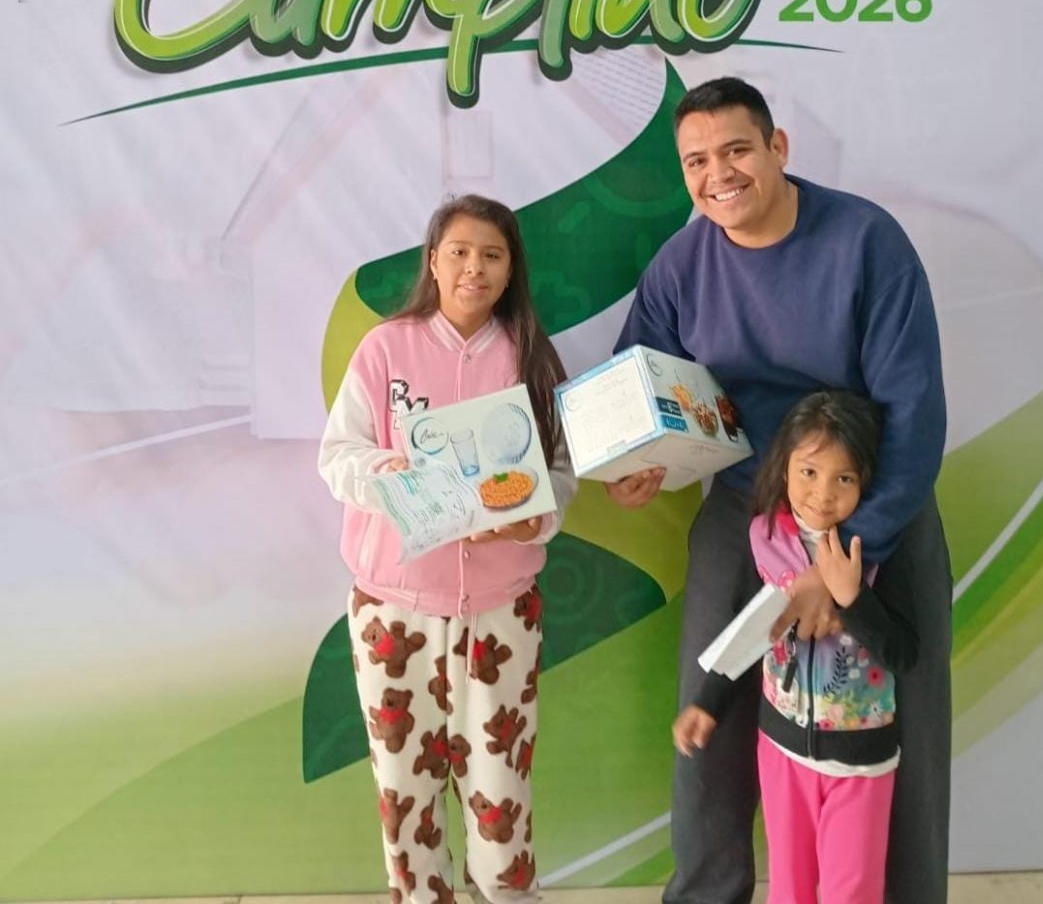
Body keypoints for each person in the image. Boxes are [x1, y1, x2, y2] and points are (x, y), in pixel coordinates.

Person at [609, 76, 951, 904]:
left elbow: (916, 416)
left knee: (902, 718)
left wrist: (844, 561)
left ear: (778, 149)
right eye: (697, 161)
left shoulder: (867, 242)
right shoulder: (682, 264)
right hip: (746, 504)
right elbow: (636, 380)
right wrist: (640, 458)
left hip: (871, 504)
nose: (718, 175)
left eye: (736, 150)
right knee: (711, 714)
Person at [318, 195, 576, 904]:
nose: (474, 268)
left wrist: (530, 521)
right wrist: (392, 474)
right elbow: (336, 457)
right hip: (393, 614)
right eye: (459, 252)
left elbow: (560, 475)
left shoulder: (530, 357)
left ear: (511, 269)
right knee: (405, 796)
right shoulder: (385, 349)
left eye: (492, 255)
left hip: (501, 615)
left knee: (501, 796)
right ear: (433, 262)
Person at [674, 390, 918, 904]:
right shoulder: (764, 539)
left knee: (852, 893)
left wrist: (852, 598)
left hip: (860, 764)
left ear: (867, 480)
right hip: (782, 754)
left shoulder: (877, 553)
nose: (822, 494)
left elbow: (904, 653)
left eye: (843, 478)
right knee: (789, 890)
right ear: (783, 466)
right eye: (809, 471)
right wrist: (706, 703)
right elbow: (749, 631)